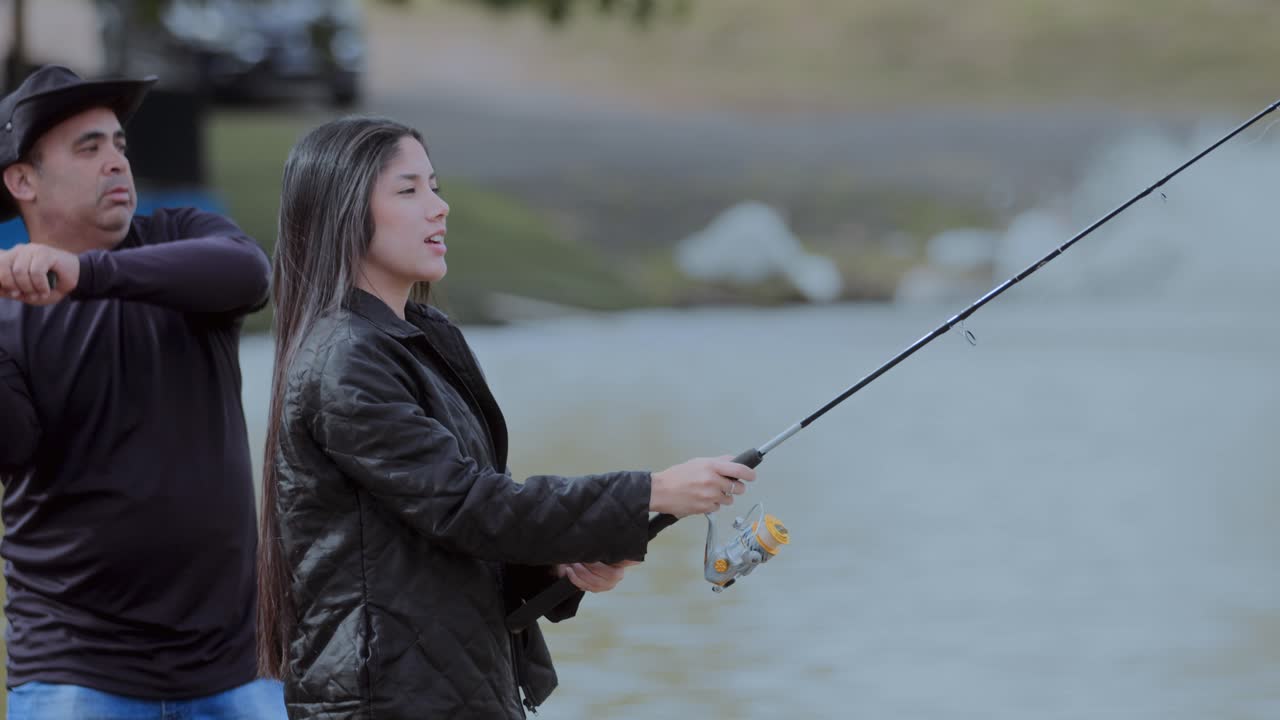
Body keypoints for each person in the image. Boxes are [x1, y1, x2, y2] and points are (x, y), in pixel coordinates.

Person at [257, 115, 758, 719]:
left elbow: (442, 535)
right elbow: (471, 507)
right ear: (343, 210)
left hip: (454, 688)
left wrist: (553, 563)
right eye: (409, 190)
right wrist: (652, 491)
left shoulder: (421, 339)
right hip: (383, 702)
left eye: (435, 186)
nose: (439, 208)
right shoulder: (345, 360)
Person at [0, 65, 285, 717]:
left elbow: (248, 274)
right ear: (22, 180)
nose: (115, 163)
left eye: (118, 144)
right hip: (75, 675)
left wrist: (83, 273)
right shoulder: (6, 316)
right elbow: (11, 450)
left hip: (237, 667)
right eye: (88, 148)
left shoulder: (183, 237)